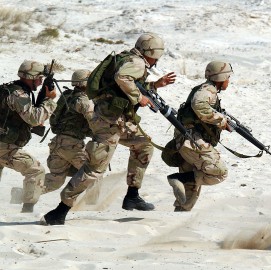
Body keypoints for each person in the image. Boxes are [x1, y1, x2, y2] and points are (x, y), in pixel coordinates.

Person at [41, 33, 176, 225]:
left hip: (119, 120)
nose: (156, 61)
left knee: (144, 146)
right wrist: (140, 98)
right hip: (108, 123)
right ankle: (59, 211)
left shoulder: (128, 58)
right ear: (151, 52)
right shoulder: (136, 63)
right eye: (157, 56)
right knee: (95, 169)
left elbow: (126, 85)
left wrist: (155, 85)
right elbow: (123, 78)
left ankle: (132, 195)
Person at [167, 61, 233, 212]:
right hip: (192, 141)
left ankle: (178, 217)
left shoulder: (205, 89)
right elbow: (199, 104)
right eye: (228, 77)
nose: (228, 81)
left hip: (187, 141)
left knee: (188, 193)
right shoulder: (208, 90)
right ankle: (177, 178)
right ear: (221, 78)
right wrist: (221, 120)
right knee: (219, 172)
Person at [0, 60, 57, 212]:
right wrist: (49, 101)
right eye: (39, 78)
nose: (40, 82)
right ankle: (27, 210)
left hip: (4, 143)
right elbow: (34, 118)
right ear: (30, 77)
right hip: (4, 146)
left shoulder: (8, 89)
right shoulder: (18, 94)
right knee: (36, 171)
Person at [43, 69, 94, 194]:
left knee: (55, 180)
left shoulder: (67, 96)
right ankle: (92, 206)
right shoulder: (84, 101)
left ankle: (24, 193)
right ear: (86, 84)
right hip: (73, 146)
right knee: (93, 174)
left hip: (57, 143)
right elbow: (95, 121)